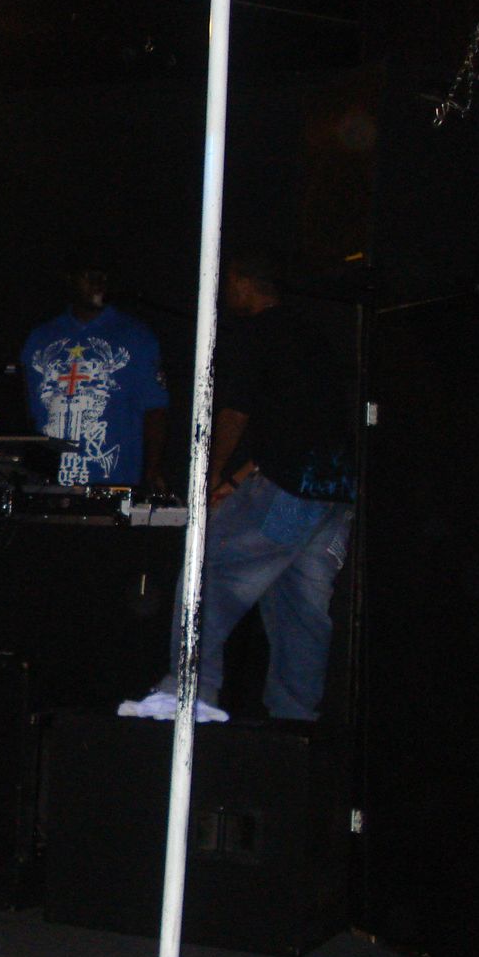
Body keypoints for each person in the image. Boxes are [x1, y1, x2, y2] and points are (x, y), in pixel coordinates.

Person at [120, 249, 355, 723]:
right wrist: (241, 476)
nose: (227, 291)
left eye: (229, 282)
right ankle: (296, 722)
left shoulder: (258, 333)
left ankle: (190, 690)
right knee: (300, 609)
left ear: (245, 283)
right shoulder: (314, 337)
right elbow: (304, 427)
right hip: (335, 493)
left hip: (290, 487)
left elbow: (235, 413)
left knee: (207, 572)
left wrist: (209, 474)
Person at [22, 256, 169, 489]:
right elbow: (24, 408)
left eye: (103, 276)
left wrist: (152, 471)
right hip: (46, 481)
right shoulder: (41, 338)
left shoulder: (136, 336)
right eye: (89, 276)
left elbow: (155, 409)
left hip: (113, 482)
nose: (97, 282)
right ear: (71, 279)